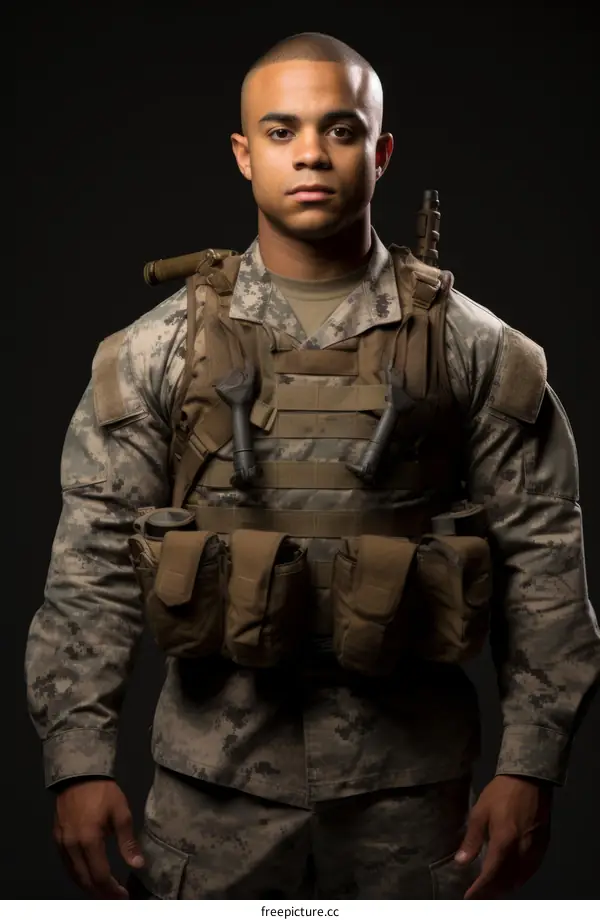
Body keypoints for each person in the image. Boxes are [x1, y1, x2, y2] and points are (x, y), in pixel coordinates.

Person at [25, 32, 600, 901]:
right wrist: (75, 761)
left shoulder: (476, 351)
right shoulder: (158, 351)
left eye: (340, 129)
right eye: (283, 130)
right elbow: (91, 568)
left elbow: (545, 569)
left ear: (381, 151)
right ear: (243, 153)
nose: (312, 155)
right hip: (207, 800)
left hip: (412, 802)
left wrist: (532, 767)